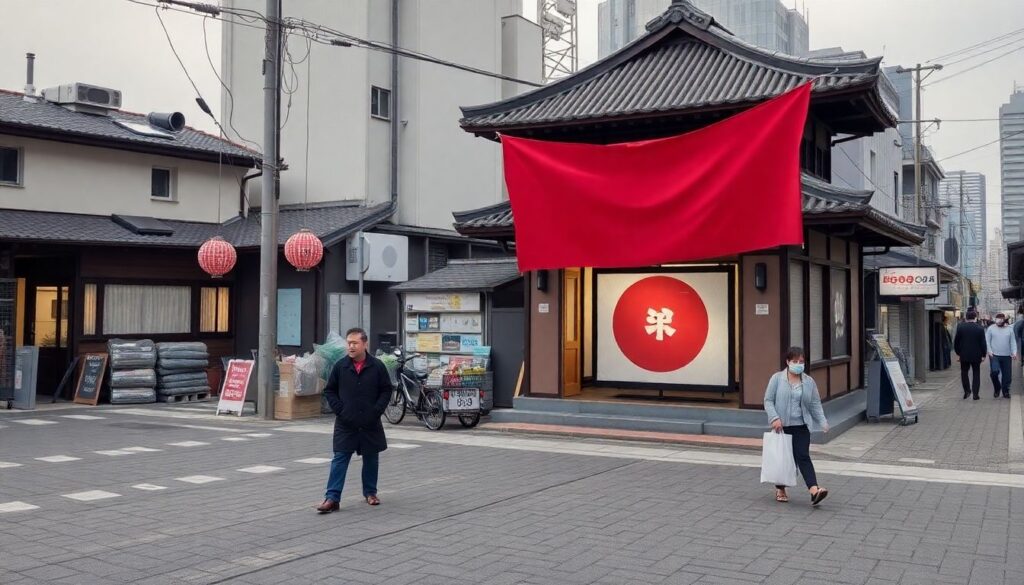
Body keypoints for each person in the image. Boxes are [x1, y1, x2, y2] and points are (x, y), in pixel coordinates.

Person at [316, 327, 393, 514]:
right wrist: (340, 410)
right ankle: (332, 498)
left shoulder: (377, 366)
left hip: (370, 421)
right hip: (346, 422)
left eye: (354, 343)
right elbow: (330, 390)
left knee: (371, 458)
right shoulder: (341, 366)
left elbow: (386, 390)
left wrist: (376, 411)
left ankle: (370, 493)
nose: (350, 346)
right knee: (340, 458)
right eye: (348, 343)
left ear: (364, 344)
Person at [763, 347, 830, 506]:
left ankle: (814, 490)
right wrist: (774, 418)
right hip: (782, 426)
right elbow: (768, 400)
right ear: (787, 362)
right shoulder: (777, 379)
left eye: (801, 362)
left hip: (801, 425)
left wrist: (822, 421)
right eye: (795, 361)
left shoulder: (808, 381)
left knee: (803, 456)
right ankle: (781, 489)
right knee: (784, 460)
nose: (798, 364)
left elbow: (815, 404)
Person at [954, 310, 988, 400]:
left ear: (966, 317)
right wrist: (984, 354)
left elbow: (956, 341)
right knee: (976, 373)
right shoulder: (980, 328)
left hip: (964, 355)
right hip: (976, 355)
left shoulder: (960, 327)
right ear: (975, 317)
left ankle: (967, 391)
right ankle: (975, 394)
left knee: (964, 372)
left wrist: (958, 353)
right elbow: (983, 343)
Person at [986, 313, 1017, 399]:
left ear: (1004, 320)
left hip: (1007, 355)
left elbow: (1013, 342)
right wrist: (989, 351)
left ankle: (1005, 391)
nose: (998, 321)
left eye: (1000, 319)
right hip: (994, 355)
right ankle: (997, 388)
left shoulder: (1009, 329)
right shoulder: (991, 328)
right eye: (997, 319)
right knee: (994, 373)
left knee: (1007, 376)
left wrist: (1014, 352)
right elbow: (987, 341)